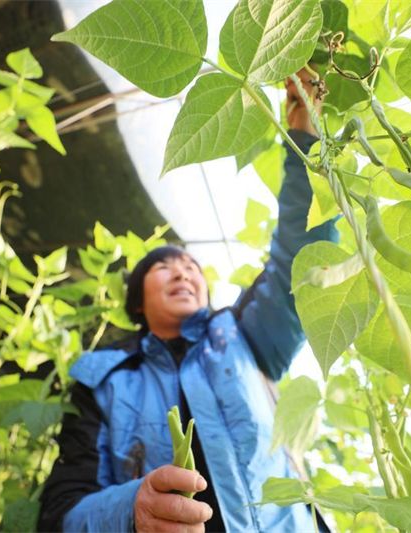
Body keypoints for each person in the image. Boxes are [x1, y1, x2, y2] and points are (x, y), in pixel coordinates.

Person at [38, 70, 338, 533]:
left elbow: (304, 265)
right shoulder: (103, 381)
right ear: (136, 302)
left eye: (191, 267)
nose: (181, 270)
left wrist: (303, 140)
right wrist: (129, 511)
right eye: (163, 266)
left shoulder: (246, 336)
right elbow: (60, 514)